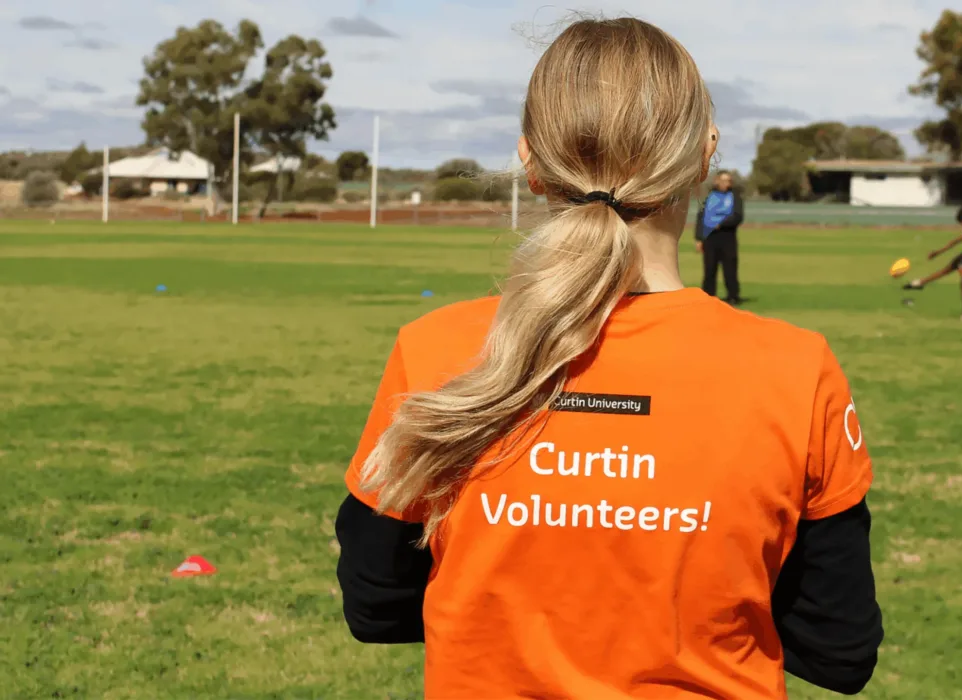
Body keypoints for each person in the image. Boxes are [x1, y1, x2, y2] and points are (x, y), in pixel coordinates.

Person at [334, 17, 882, 699]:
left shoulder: (437, 349)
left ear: (530, 164)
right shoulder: (795, 369)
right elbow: (841, 647)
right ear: (704, 154)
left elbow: (375, 601)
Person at [695, 170, 745, 305]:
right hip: (710, 237)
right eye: (723, 180)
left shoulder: (735, 196)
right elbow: (701, 217)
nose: (726, 183)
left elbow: (738, 216)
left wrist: (720, 224)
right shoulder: (709, 196)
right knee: (709, 268)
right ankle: (708, 297)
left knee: (730, 268)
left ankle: (733, 296)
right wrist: (699, 238)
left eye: (728, 181)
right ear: (717, 181)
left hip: (727, 237)